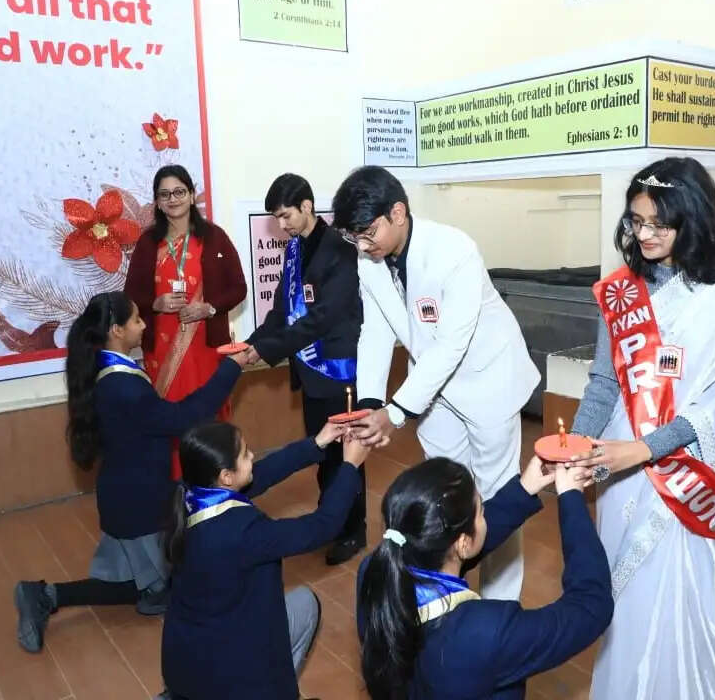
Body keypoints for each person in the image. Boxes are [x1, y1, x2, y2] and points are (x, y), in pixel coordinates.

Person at [568, 157, 715, 700]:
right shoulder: (622, 290)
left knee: (691, 606)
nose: (644, 234)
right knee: (631, 603)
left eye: (659, 224)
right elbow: (604, 382)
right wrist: (577, 444)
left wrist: (644, 450)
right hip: (623, 473)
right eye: (635, 221)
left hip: (692, 475)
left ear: (694, 217)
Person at [332, 165, 540, 600]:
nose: (363, 246)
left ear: (398, 213)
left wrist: (395, 413)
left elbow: (451, 344)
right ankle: (448, 594)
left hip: (486, 380)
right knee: (444, 495)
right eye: (354, 237)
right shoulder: (369, 260)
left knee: (498, 497)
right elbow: (376, 330)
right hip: (433, 389)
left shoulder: (453, 250)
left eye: (368, 233)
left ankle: (499, 608)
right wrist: (371, 402)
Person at [13, 291, 247, 652]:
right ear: (117, 330)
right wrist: (231, 368)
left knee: (138, 582)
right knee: (176, 575)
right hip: (141, 504)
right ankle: (50, 595)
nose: (144, 326)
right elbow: (183, 418)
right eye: (137, 320)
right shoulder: (123, 385)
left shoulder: (106, 370)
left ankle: (48, 595)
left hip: (125, 495)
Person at [356, 455, 613, 699]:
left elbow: (458, 545)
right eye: (481, 510)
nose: (484, 516)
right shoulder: (485, 631)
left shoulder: (376, 571)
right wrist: (571, 499)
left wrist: (524, 488)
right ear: (462, 543)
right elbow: (591, 607)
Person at [159, 422, 371, 700]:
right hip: (229, 678)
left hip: (186, 665)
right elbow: (321, 526)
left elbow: (261, 473)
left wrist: (317, 443)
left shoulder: (190, 497)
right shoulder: (242, 533)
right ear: (225, 476)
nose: (252, 456)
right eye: (245, 453)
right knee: (306, 605)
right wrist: (350, 466)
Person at [242, 172, 366, 565]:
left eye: (286, 216)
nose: (282, 225)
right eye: (276, 218)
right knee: (321, 450)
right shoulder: (295, 249)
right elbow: (282, 310)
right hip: (311, 373)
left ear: (307, 206)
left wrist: (268, 349)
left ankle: (353, 530)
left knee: (346, 455)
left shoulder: (340, 249)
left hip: (337, 371)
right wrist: (251, 343)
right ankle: (332, 520)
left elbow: (323, 318)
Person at [126, 164, 247, 480]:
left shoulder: (215, 238)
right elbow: (131, 296)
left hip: (206, 347)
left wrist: (208, 308)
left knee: (207, 414)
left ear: (192, 195)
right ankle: (174, 486)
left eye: (179, 191)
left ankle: (215, 483)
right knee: (169, 416)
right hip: (161, 349)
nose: (173, 199)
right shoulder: (148, 243)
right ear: (157, 202)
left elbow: (238, 288)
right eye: (164, 194)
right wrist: (155, 304)